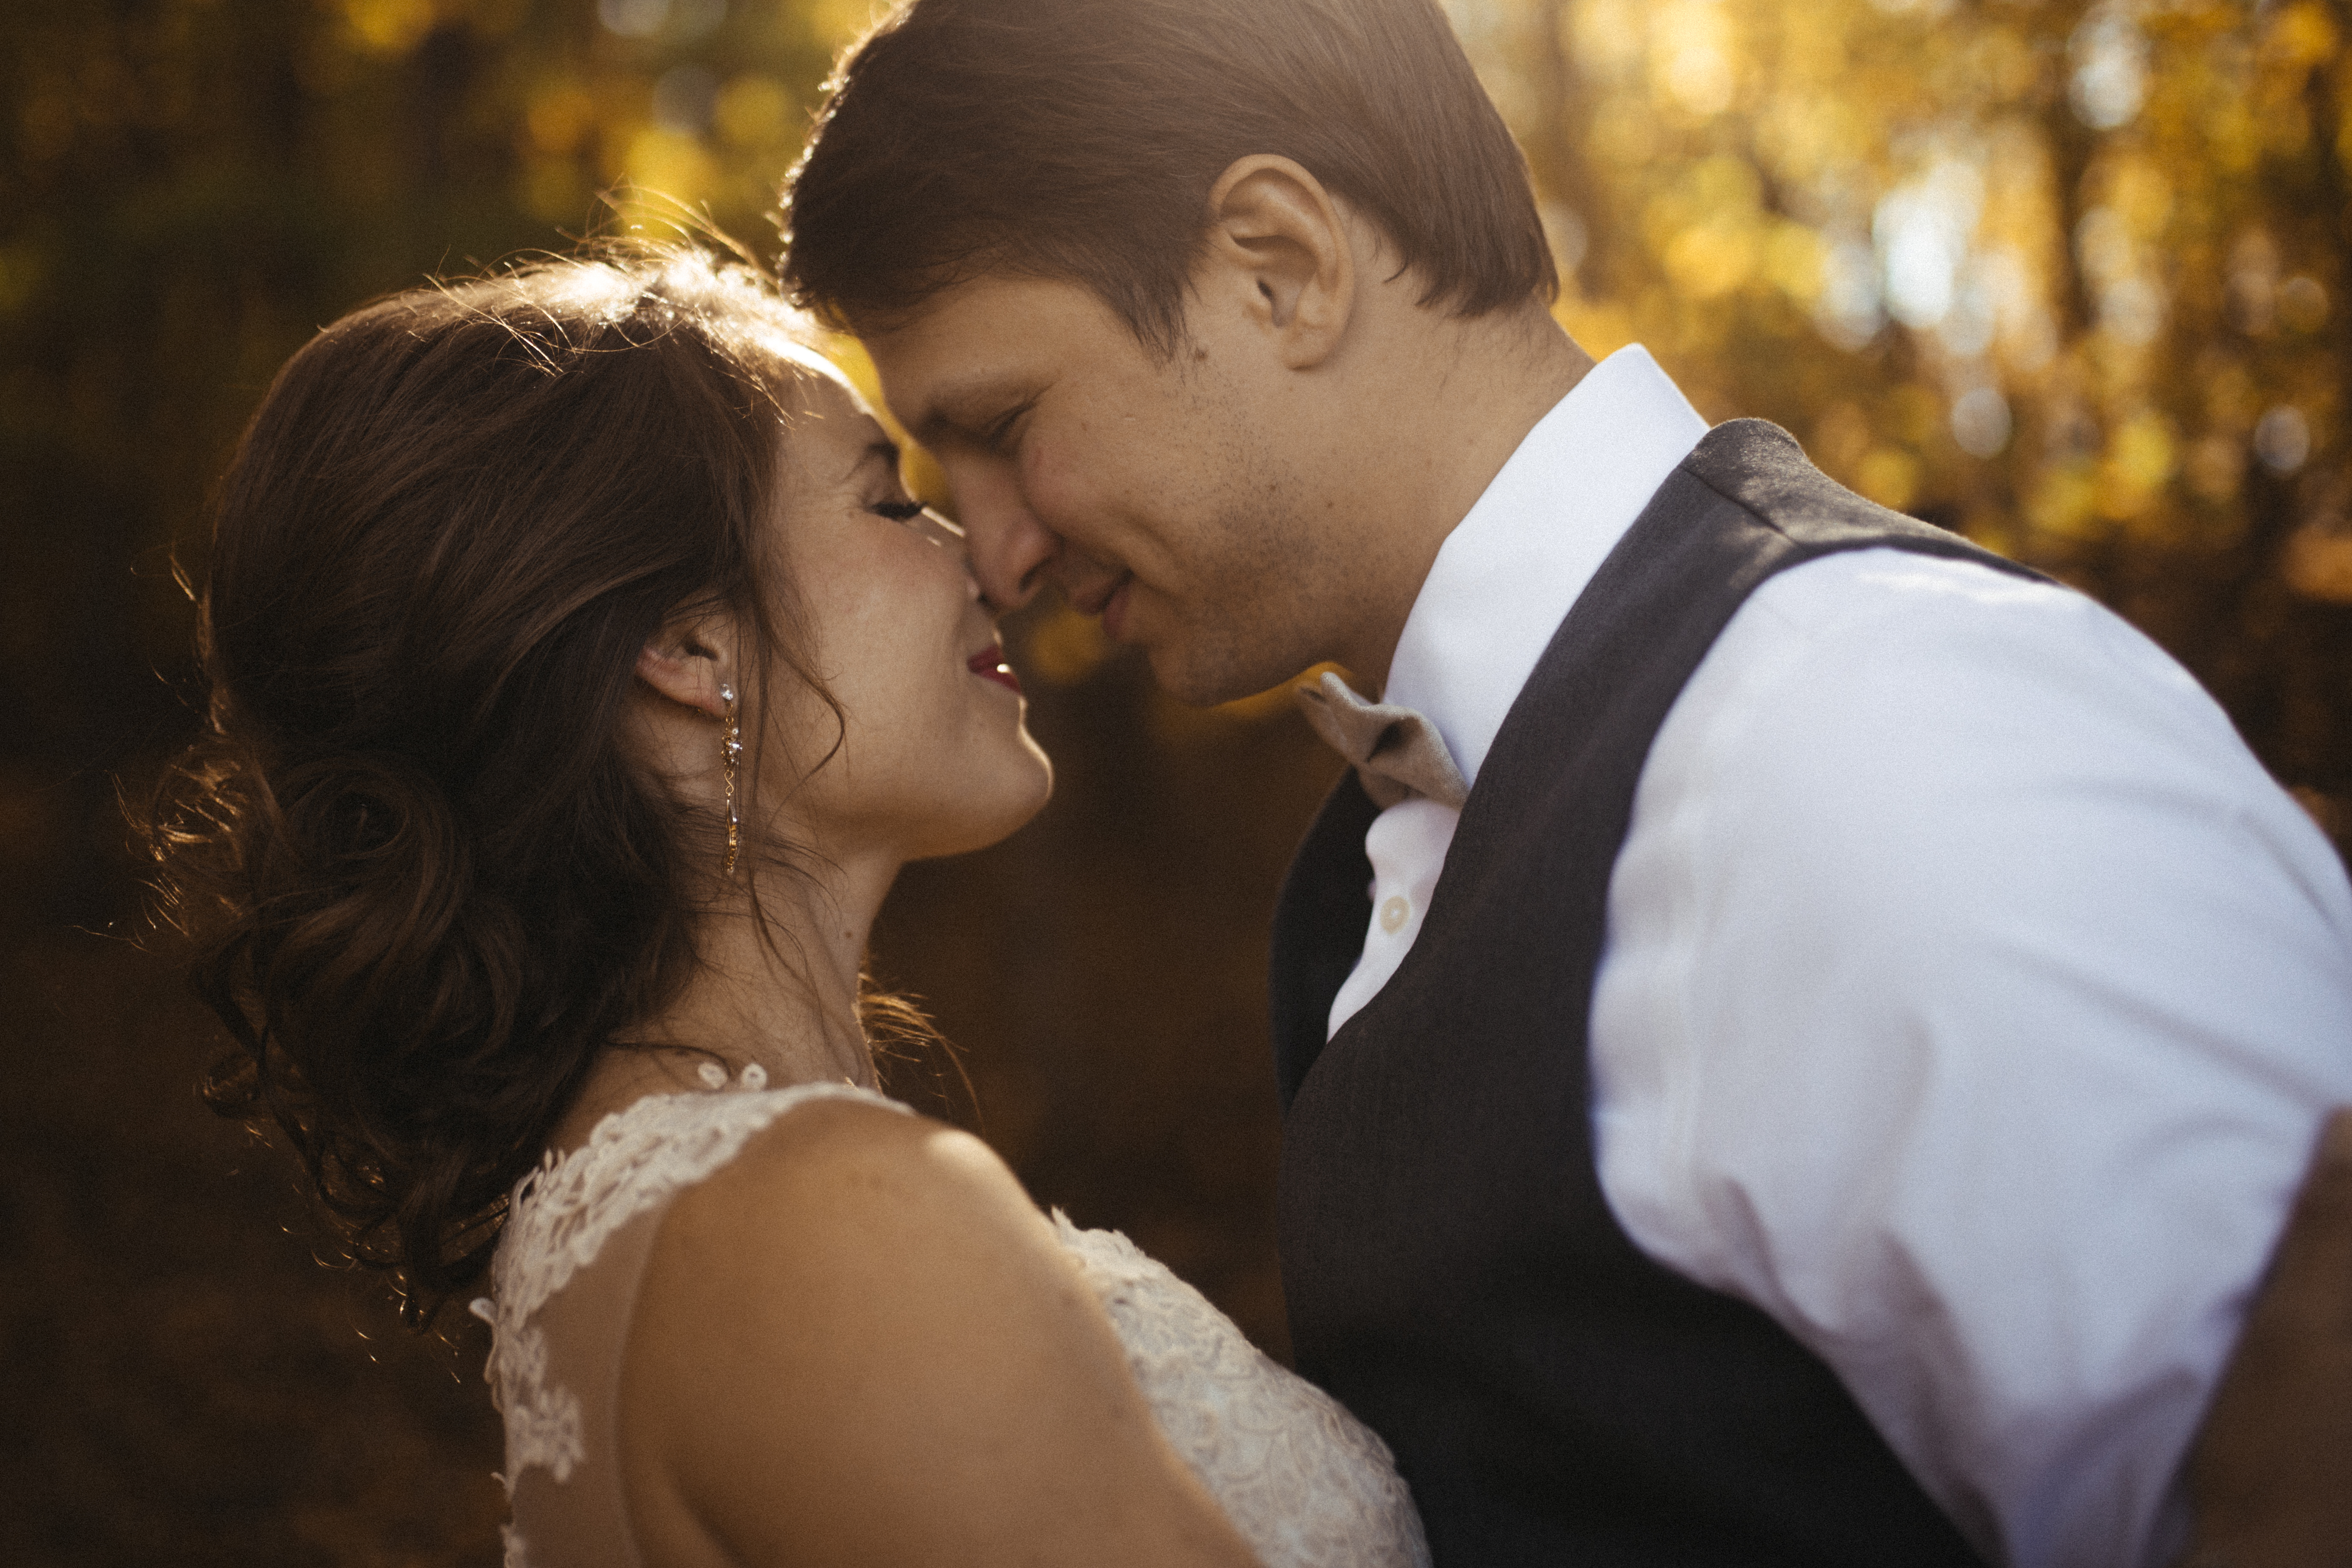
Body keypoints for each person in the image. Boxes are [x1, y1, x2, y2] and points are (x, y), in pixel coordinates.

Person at [778, 0, 2352, 1562]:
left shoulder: (1871, 727)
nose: (997, 552)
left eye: (1003, 425)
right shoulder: (1401, 840)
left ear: (1281, 265)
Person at [149, 246, 1430, 1568]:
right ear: (690, 646)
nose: (988, 559)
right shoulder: (825, 1227)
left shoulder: (656, 1220)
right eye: (889, 504)